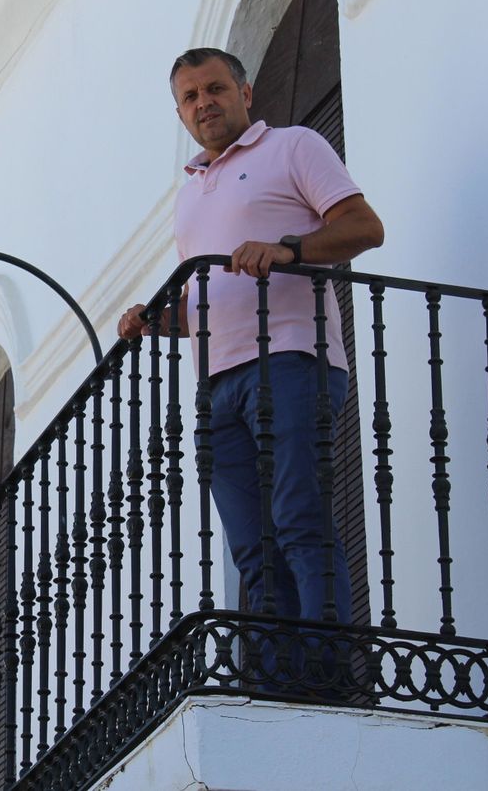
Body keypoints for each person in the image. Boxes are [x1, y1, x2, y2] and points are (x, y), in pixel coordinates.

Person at [118, 47, 384, 633]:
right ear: (181, 115)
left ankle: (326, 664)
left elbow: (365, 228)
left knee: (299, 518)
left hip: (291, 360)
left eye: (214, 89)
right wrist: (154, 319)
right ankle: (276, 680)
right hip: (217, 386)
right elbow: (206, 305)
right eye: (189, 98)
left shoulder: (293, 146)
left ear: (245, 92)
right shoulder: (189, 193)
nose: (203, 103)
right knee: (252, 548)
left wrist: (287, 250)